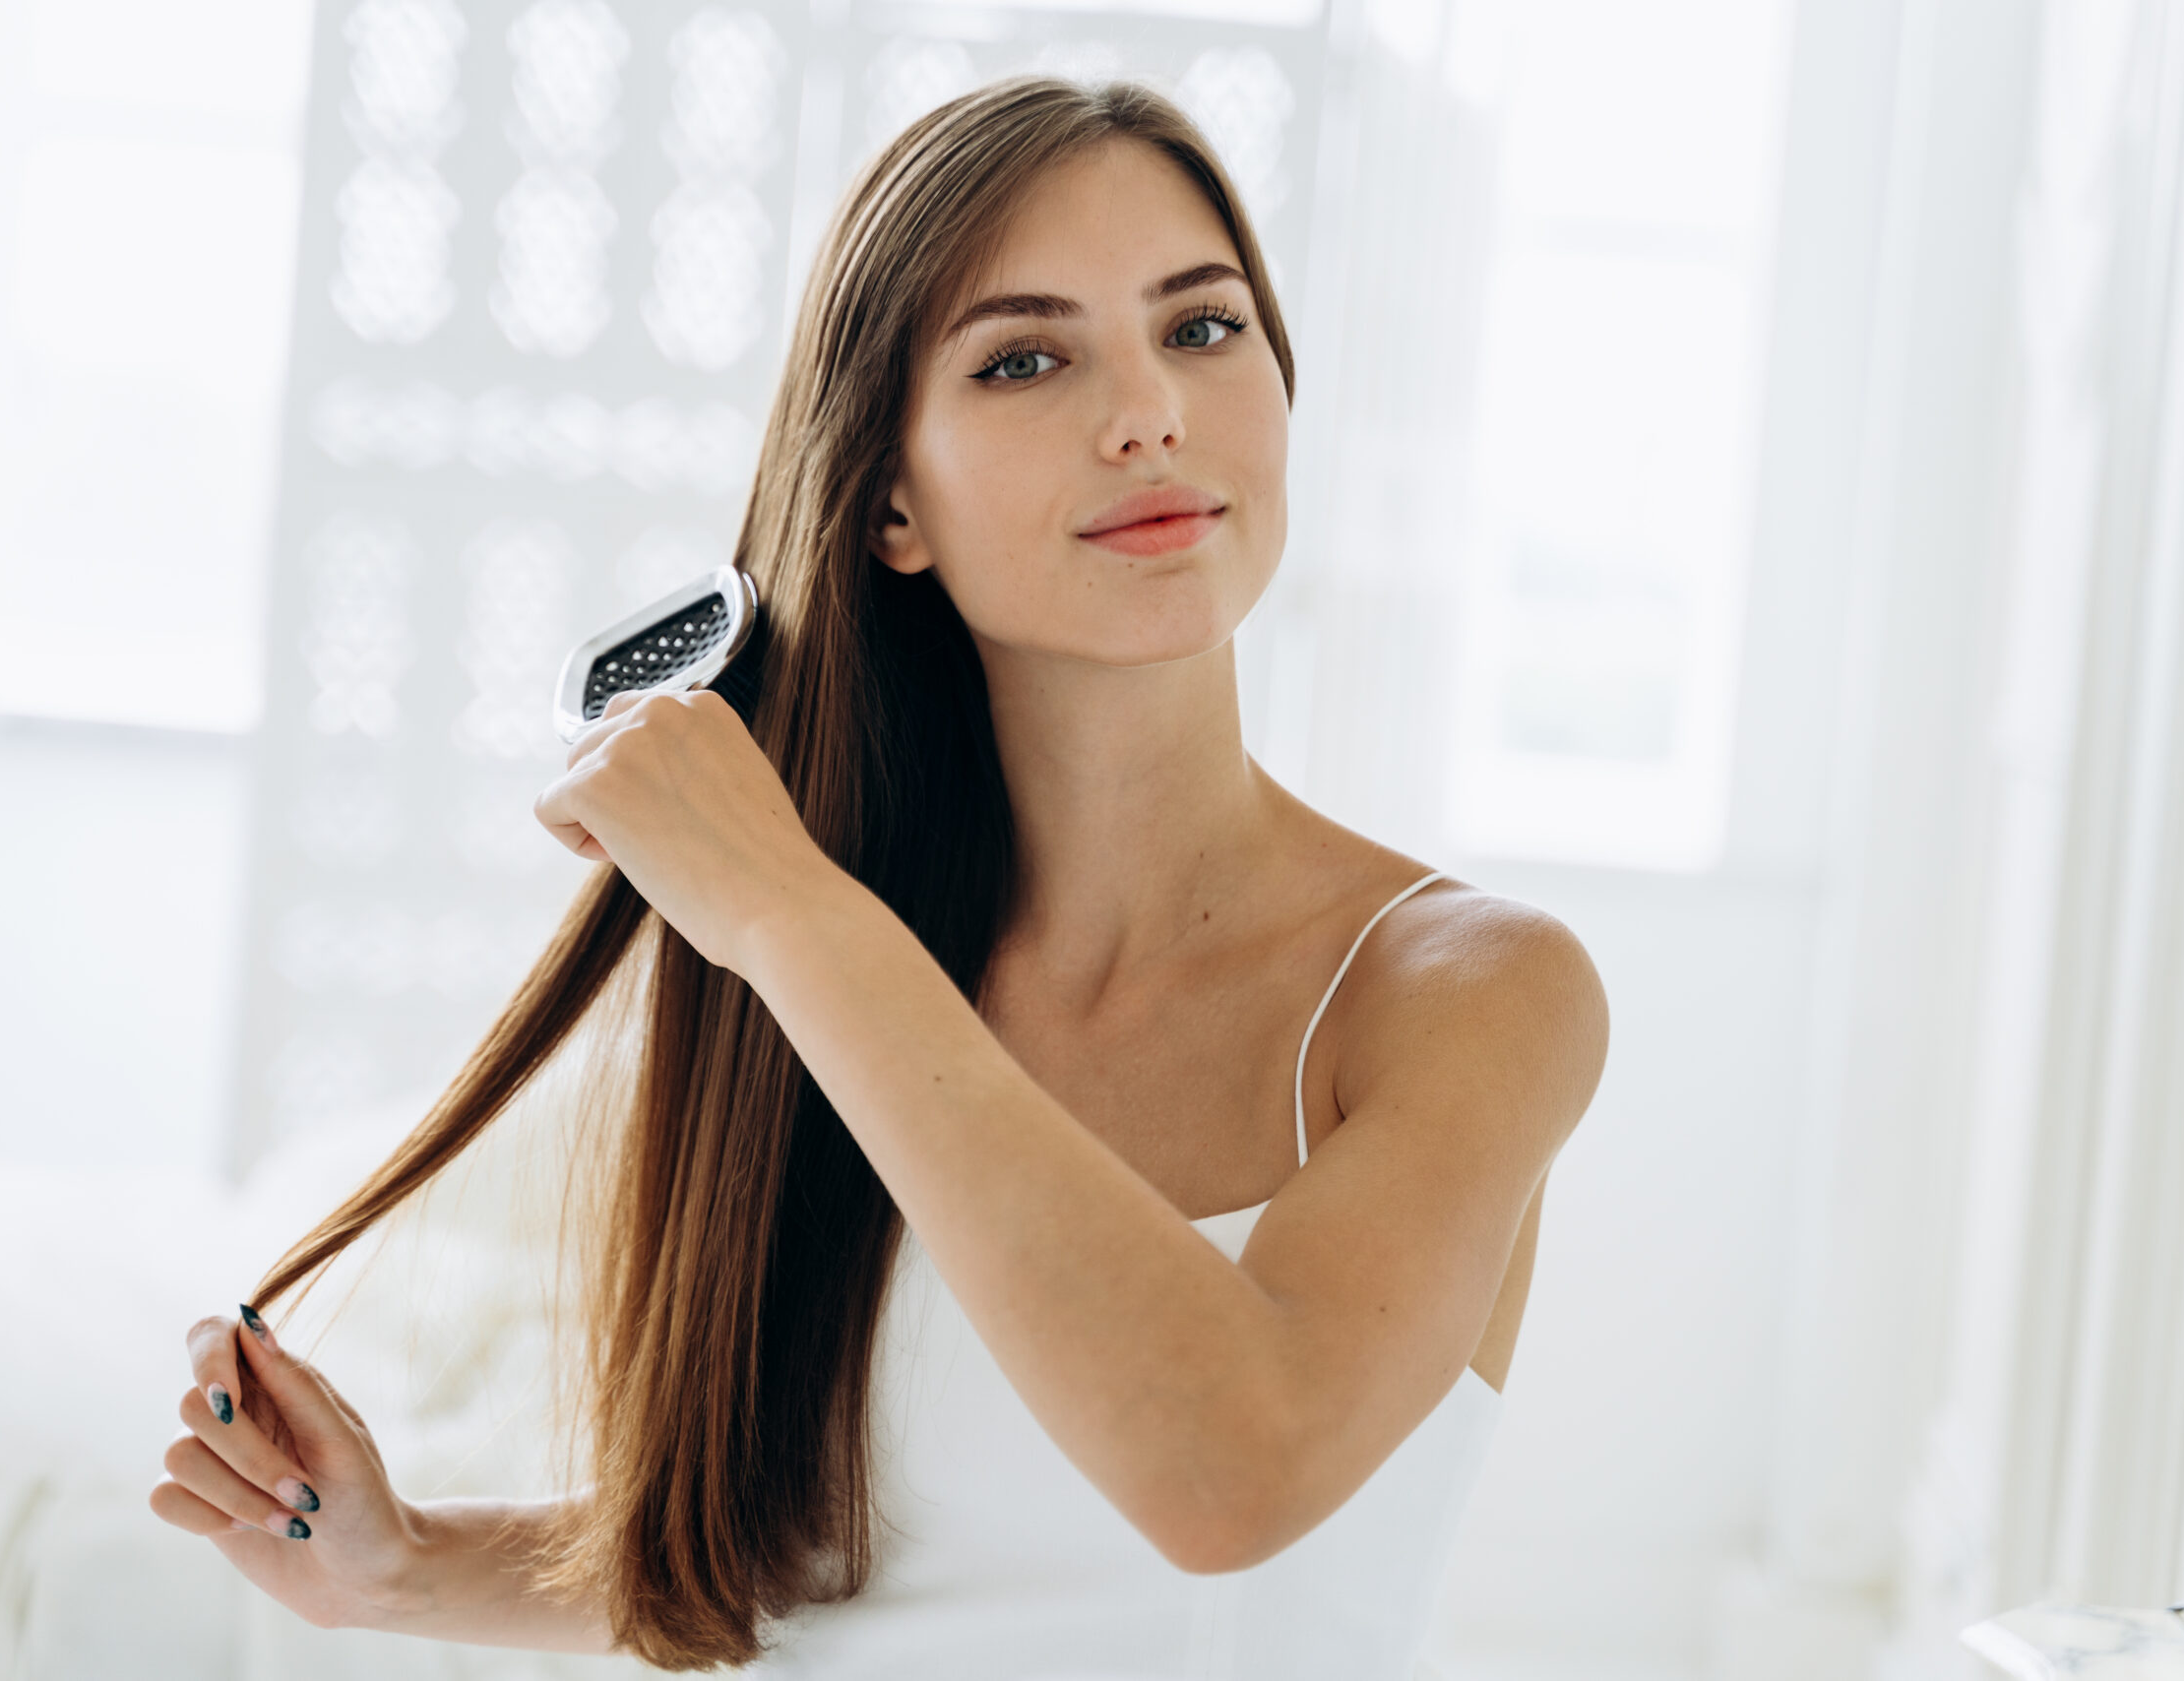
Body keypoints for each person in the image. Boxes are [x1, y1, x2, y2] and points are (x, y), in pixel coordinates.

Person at [149, 76, 1606, 1677]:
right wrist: (408, 1567)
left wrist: (789, 914)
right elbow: (802, 1570)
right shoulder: (833, 967)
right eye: (1028, 359)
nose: (1149, 414)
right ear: (890, 500)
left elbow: (1224, 1474)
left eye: (1201, 329)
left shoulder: (1466, 992)